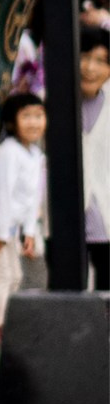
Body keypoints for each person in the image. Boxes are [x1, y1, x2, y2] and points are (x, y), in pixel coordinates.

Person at [0, 91, 48, 326]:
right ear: (12, 122)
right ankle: (2, 332)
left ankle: (10, 327)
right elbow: (3, 195)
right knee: (4, 274)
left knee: (16, 275)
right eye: (26, 116)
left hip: (8, 226)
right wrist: (2, 233)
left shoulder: (36, 154)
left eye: (38, 116)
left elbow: (32, 198)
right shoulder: (7, 152)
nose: (34, 122)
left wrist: (28, 231)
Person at [82, 26, 110, 291]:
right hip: (62, 220)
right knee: (66, 288)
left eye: (101, 61)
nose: (90, 68)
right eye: (85, 57)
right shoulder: (45, 106)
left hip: (105, 218)